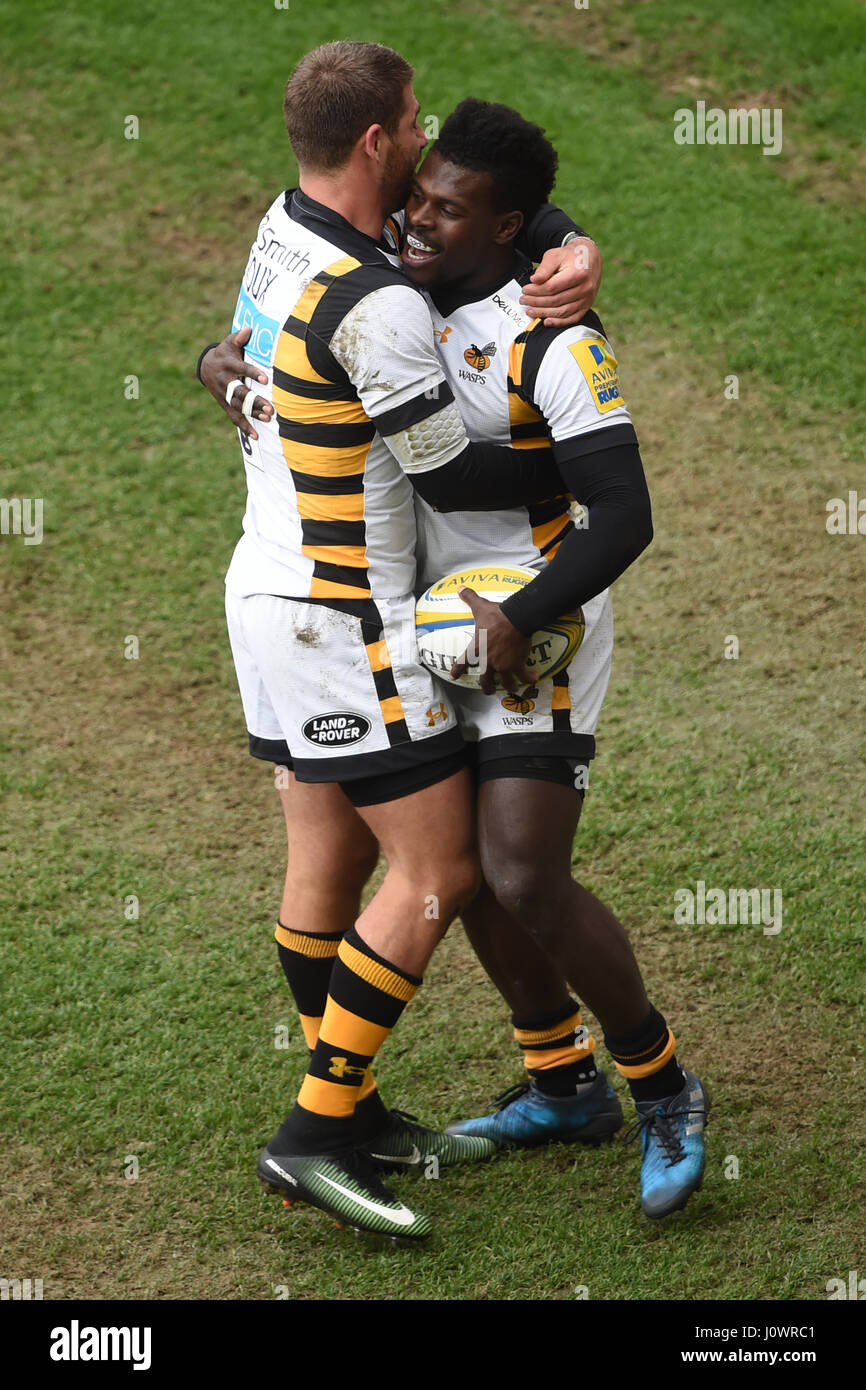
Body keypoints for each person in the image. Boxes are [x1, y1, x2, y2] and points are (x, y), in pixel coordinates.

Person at [202, 94, 710, 1223]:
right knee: (457, 865)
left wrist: (521, 611)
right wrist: (217, 360)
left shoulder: (555, 335)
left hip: (533, 628)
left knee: (520, 868)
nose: (416, 223)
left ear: (509, 230)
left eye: (447, 213)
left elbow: (622, 516)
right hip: (418, 624)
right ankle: (558, 1081)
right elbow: (297, 306)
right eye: (415, 199)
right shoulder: (394, 287)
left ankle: (662, 1084)